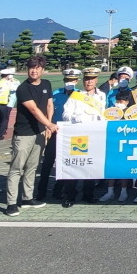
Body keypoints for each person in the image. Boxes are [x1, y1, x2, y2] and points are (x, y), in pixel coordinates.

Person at [5, 56, 57, 217]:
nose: (34, 70)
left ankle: (27, 198)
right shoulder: (23, 89)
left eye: (37, 67)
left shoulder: (47, 84)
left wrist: (47, 125)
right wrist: (50, 125)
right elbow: (34, 110)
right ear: (27, 69)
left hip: (40, 132)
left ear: (42, 69)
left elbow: (49, 104)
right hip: (24, 134)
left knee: (32, 167)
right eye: (31, 67)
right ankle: (11, 203)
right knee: (16, 169)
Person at [60, 67, 107, 208]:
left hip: (94, 135)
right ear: (83, 80)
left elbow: (104, 113)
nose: (89, 82)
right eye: (87, 79)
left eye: (92, 79)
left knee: (90, 166)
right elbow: (65, 114)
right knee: (76, 165)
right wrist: (74, 118)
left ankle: (89, 194)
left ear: (96, 80)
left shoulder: (101, 96)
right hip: (78, 135)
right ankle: (70, 196)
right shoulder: (75, 95)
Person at [37, 68, 81, 201]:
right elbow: (47, 110)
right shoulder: (55, 94)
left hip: (74, 133)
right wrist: (47, 127)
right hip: (56, 131)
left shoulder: (81, 95)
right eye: (68, 80)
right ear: (64, 81)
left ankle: (59, 189)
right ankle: (41, 191)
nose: (70, 82)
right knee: (47, 163)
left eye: (73, 80)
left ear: (77, 81)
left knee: (68, 163)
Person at [99, 90, 132, 202]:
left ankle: (123, 192)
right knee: (111, 168)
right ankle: (110, 192)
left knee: (123, 169)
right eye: (117, 101)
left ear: (127, 102)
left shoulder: (131, 113)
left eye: (121, 101)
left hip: (126, 145)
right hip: (112, 144)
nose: (119, 103)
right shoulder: (111, 112)